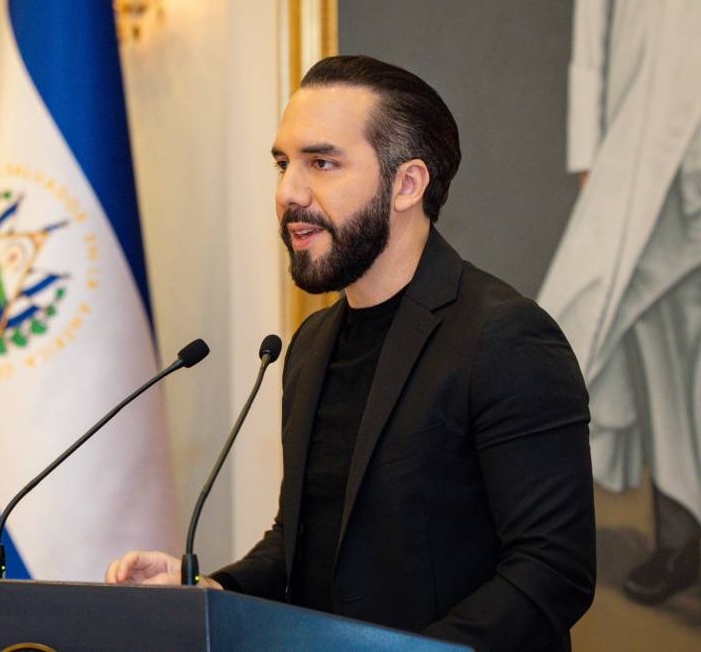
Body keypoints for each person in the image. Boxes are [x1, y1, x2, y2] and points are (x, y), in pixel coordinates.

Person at [106, 55, 596, 652]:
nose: (288, 193)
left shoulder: (505, 337)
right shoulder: (310, 345)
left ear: (407, 184)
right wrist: (209, 590)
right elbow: (301, 542)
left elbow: (551, 572)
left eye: (322, 163)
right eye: (283, 164)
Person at [538, 0, 701, 606]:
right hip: (646, 137)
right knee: (648, 341)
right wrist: (589, 152)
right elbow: (593, 31)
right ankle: (681, 535)